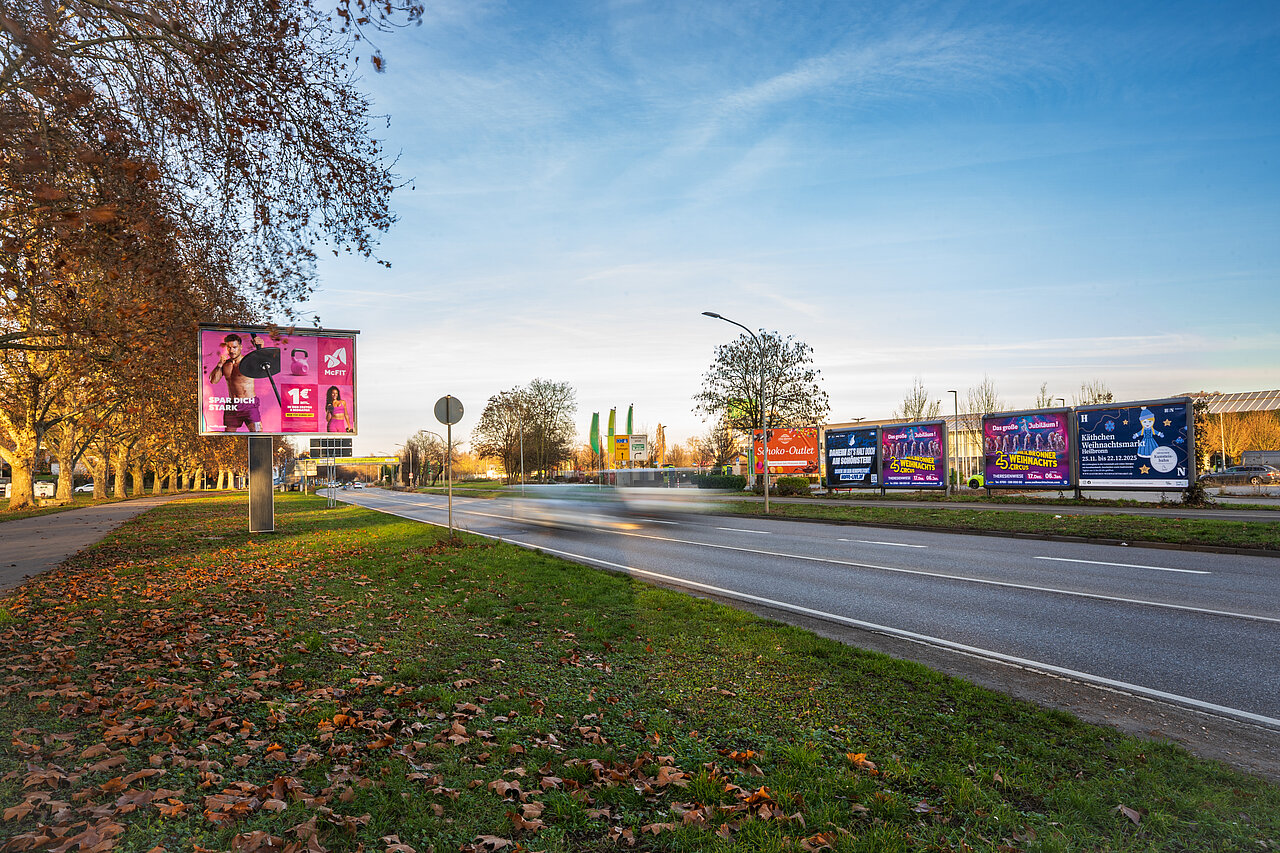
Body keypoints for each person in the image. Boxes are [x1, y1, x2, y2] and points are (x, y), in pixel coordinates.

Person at [208, 333, 263, 432]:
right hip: (232, 404)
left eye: (234, 347)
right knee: (228, 437)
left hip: (249, 404)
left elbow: (262, 361)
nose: (232, 350)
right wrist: (219, 365)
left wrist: (261, 347)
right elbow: (213, 381)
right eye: (229, 348)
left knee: (258, 435)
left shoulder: (248, 362)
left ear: (241, 347)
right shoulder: (225, 364)